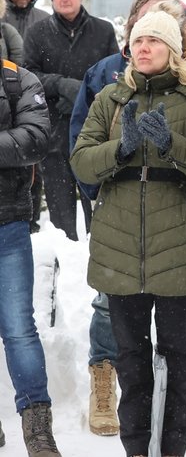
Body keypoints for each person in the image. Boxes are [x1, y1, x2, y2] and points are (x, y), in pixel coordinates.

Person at [70, 9, 186, 457]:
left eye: (154, 42)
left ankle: (172, 448)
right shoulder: (110, 100)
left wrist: (171, 146)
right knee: (132, 362)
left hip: (179, 247)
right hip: (119, 248)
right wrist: (118, 150)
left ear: (173, 52)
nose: (143, 49)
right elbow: (81, 162)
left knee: (178, 360)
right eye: (138, 42)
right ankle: (137, 449)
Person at [23, 0, 118, 240]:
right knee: (58, 189)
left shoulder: (103, 30)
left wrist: (83, 93)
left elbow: (113, 74)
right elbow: (29, 75)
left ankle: (101, 239)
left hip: (94, 123)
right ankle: (64, 241)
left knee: (98, 184)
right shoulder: (37, 33)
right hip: (52, 124)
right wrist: (63, 86)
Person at [0, 56, 63, 457]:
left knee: (19, 328)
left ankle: (37, 431)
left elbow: (36, 138)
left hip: (8, 224)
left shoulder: (17, 78)